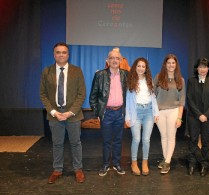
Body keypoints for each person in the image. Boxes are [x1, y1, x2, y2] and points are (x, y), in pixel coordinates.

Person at [40, 42, 86, 184]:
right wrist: (54, 112)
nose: (61, 54)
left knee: (75, 143)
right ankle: (57, 170)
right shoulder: (47, 71)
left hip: (73, 115)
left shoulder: (77, 71)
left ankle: (78, 169)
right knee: (57, 144)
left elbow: (81, 94)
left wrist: (70, 112)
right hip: (55, 115)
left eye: (64, 52)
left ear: (68, 54)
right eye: (58, 52)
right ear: (54, 54)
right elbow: (43, 94)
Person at [89, 48, 128, 176]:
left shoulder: (126, 75)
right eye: (112, 58)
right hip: (107, 113)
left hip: (120, 113)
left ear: (121, 60)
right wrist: (98, 113)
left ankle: (116, 164)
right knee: (106, 141)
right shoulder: (100, 75)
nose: (114, 60)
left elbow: (130, 95)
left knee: (118, 140)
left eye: (117, 58)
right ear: (107, 60)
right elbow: (93, 97)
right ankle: (105, 164)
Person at [125, 57, 159, 176]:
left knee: (146, 140)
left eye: (143, 66)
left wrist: (156, 113)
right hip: (136, 112)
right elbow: (128, 100)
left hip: (149, 111)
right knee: (137, 139)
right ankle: (134, 162)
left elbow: (153, 98)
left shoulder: (149, 80)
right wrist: (127, 117)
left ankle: (145, 162)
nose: (140, 68)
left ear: (146, 69)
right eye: (138, 66)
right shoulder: (131, 81)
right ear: (135, 67)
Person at [186, 58, 209, 177]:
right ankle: (192, 163)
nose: (202, 69)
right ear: (196, 68)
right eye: (200, 67)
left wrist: (206, 115)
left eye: (205, 67)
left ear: (208, 68)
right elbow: (189, 99)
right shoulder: (191, 80)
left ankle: (204, 163)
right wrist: (199, 115)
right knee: (193, 140)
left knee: (206, 141)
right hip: (194, 116)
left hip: (208, 117)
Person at [154, 54, 186, 174]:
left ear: (176, 65)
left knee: (171, 136)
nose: (171, 65)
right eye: (169, 63)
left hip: (174, 111)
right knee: (164, 136)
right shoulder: (158, 77)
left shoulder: (181, 80)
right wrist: (154, 112)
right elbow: (153, 95)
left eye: (173, 63)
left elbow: (182, 100)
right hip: (160, 111)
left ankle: (167, 162)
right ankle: (166, 158)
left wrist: (179, 117)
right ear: (165, 64)